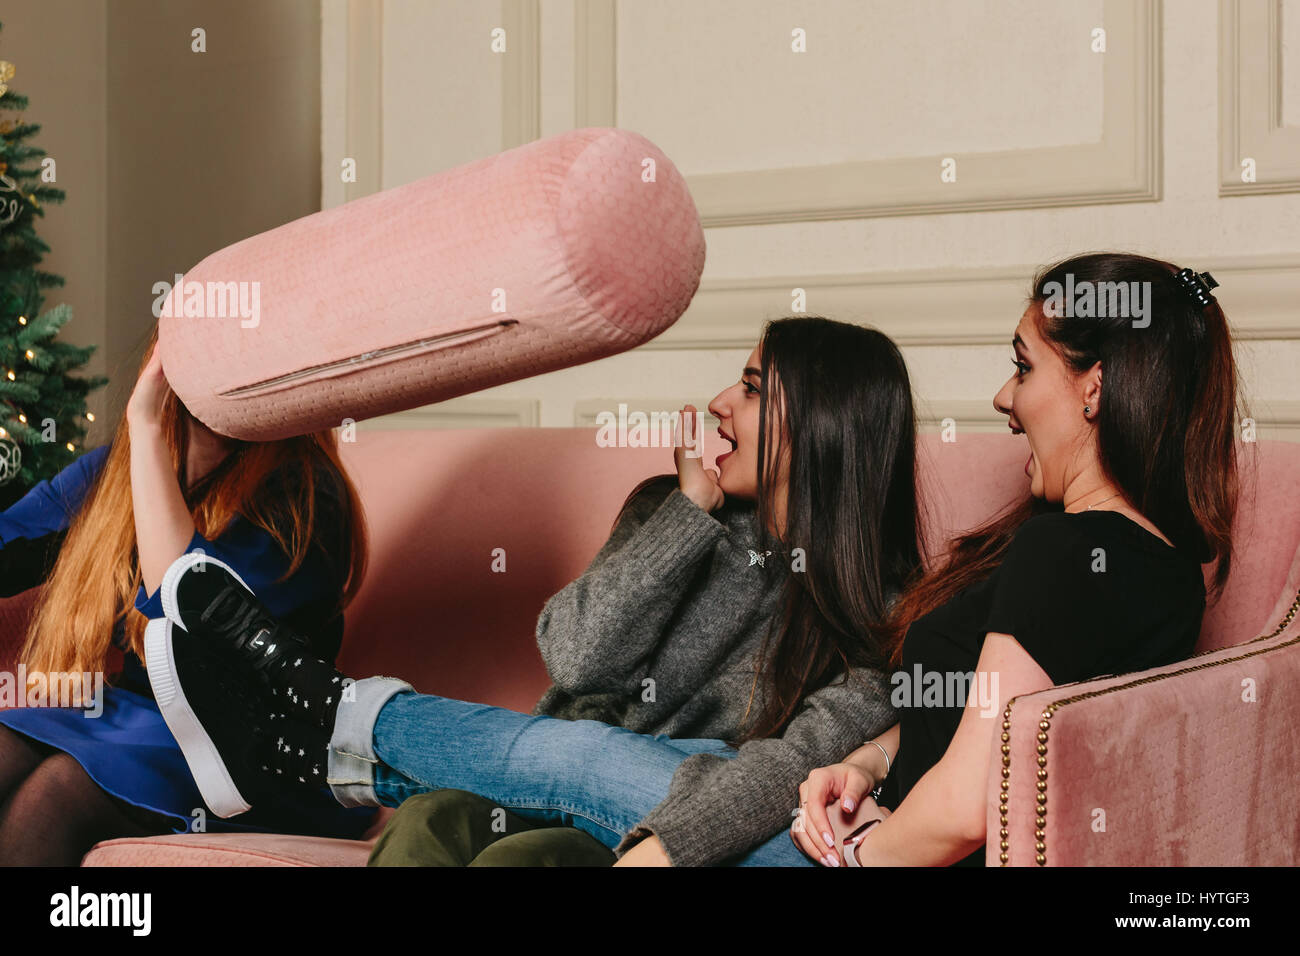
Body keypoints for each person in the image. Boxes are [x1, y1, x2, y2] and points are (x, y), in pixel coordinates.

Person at [146, 316, 922, 866]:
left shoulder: (886, 620)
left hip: (659, 826)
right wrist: (688, 518)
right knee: (427, 821)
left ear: (821, 426)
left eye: (753, 388)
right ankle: (305, 727)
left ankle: (300, 722)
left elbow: (782, 774)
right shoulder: (671, 511)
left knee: (530, 861)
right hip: (527, 778)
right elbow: (574, 659)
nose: (721, 400)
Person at [788, 253, 1239, 867]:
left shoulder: (1066, 553)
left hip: (893, 855)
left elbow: (967, 810)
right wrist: (868, 764)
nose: (1004, 397)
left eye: (1023, 368)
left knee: (612, 763)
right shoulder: (1166, 570)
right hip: (891, 823)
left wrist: (855, 853)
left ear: (1094, 388)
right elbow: (993, 727)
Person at [0, 326, 375, 865]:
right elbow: (12, 540)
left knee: (55, 793)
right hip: (129, 719)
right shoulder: (114, 472)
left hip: (241, 744)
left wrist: (146, 426)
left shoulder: (305, 496)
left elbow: (188, 606)